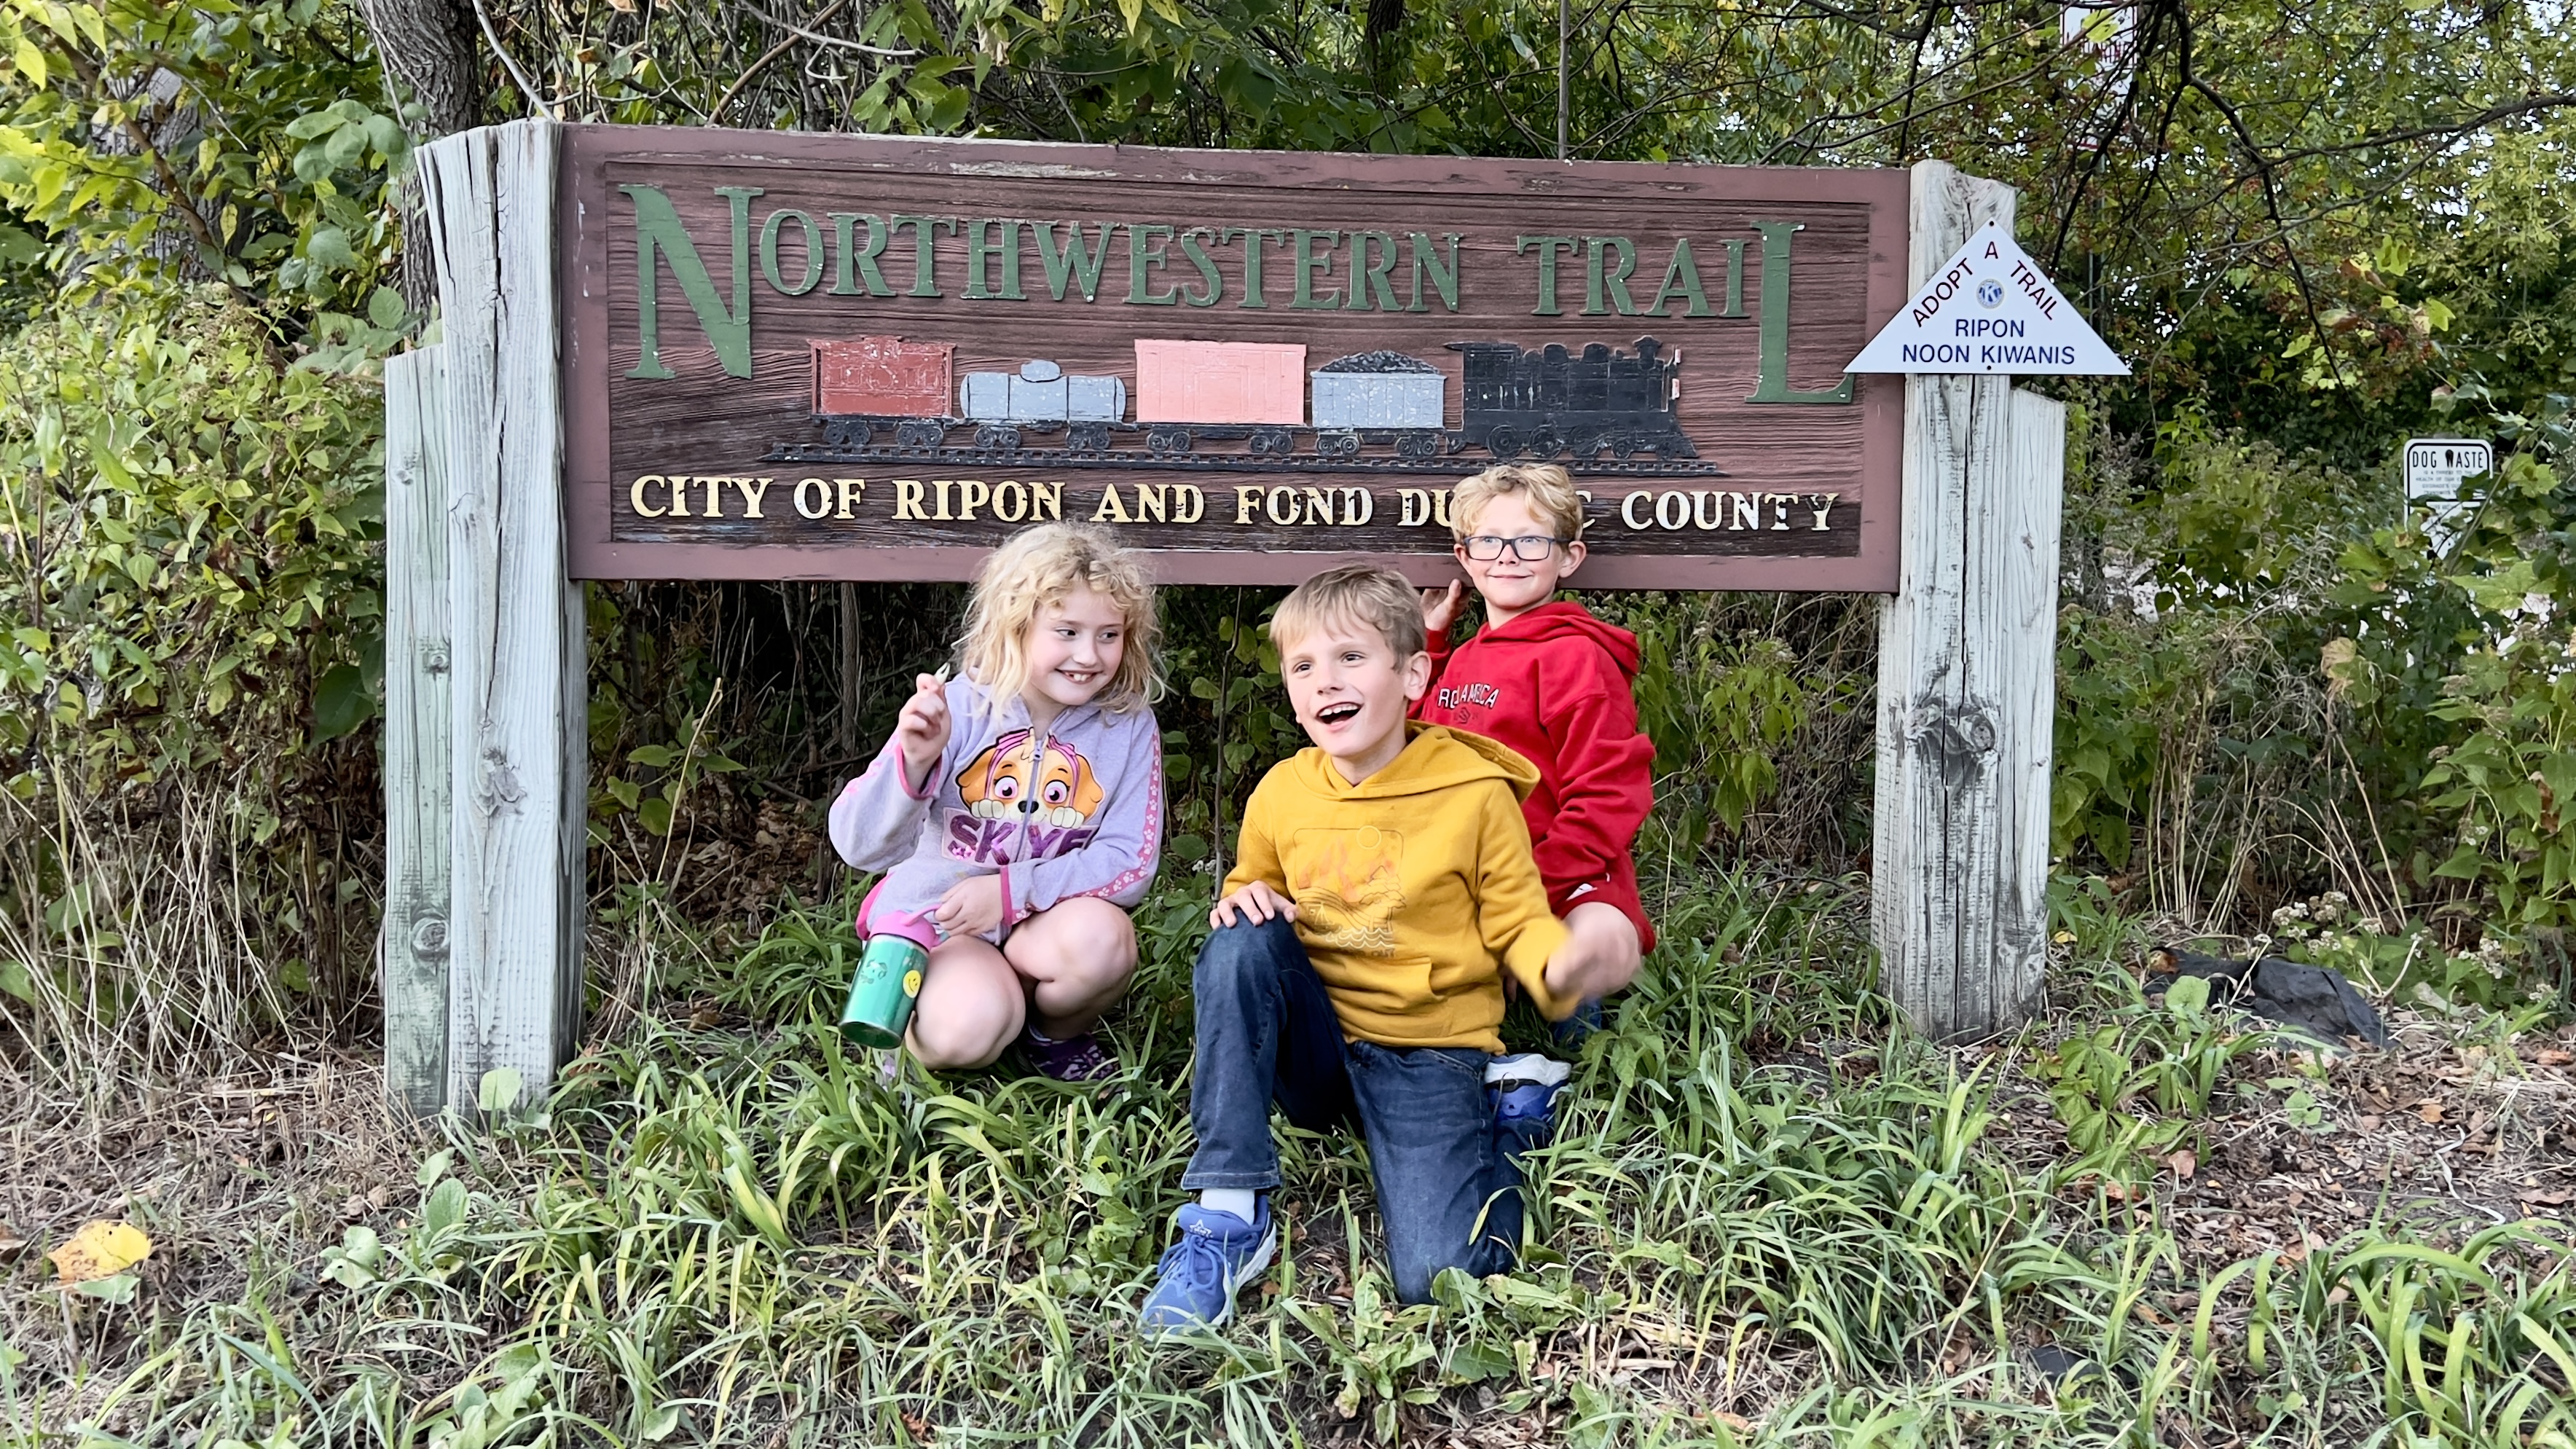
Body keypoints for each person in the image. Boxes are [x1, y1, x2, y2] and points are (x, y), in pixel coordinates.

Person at [1139, 562, 1582, 1332]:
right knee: (1239, 943)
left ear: (1412, 675)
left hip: (1425, 1051)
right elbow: (1253, 885)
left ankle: (1508, 1117)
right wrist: (1242, 895)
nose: (1323, 682)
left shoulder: (1473, 794)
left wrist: (1565, 968)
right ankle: (1225, 1216)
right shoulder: (1282, 789)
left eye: (1349, 658)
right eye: (1302, 666)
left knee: (1439, 1280)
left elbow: (1518, 920)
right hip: (1315, 1049)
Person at [828, 523, 1164, 1081]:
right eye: (1067, 631)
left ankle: (1050, 1036)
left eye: (1109, 634)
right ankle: (928, 1009)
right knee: (965, 1029)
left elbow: (1130, 863)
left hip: (1046, 922)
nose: (1089, 655)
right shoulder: (955, 710)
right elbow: (860, 845)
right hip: (949, 925)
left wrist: (1012, 893)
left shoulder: (1127, 726)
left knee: (1105, 942)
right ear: (1016, 626)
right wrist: (911, 763)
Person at [1415, 463, 1658, 1037]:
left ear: (1568, 556)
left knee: (1598, 933)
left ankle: (1576, 1040)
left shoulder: (1578, 657)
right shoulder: (1462, 662)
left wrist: (1528, 895)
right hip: (1465, 878)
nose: (1508, 555)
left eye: (1530, 540)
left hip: (1564, 875)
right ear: (1465, 556)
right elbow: (1403, 747)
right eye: (1489, 541)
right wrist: (1430, 640)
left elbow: (1608, 795)